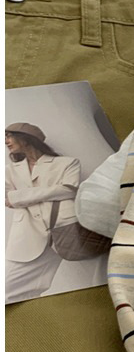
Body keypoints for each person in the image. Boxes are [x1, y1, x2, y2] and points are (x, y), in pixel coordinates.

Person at [5, 122, 81, 304]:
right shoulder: (9, 171)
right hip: (26, 236)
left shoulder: (67, 163)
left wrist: (20, 196)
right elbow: (7, 199)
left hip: (62, 233)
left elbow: (69, 190)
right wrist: (53, 191)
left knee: (31, 290)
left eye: (9, 136)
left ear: (26, 138)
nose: (6, 141)